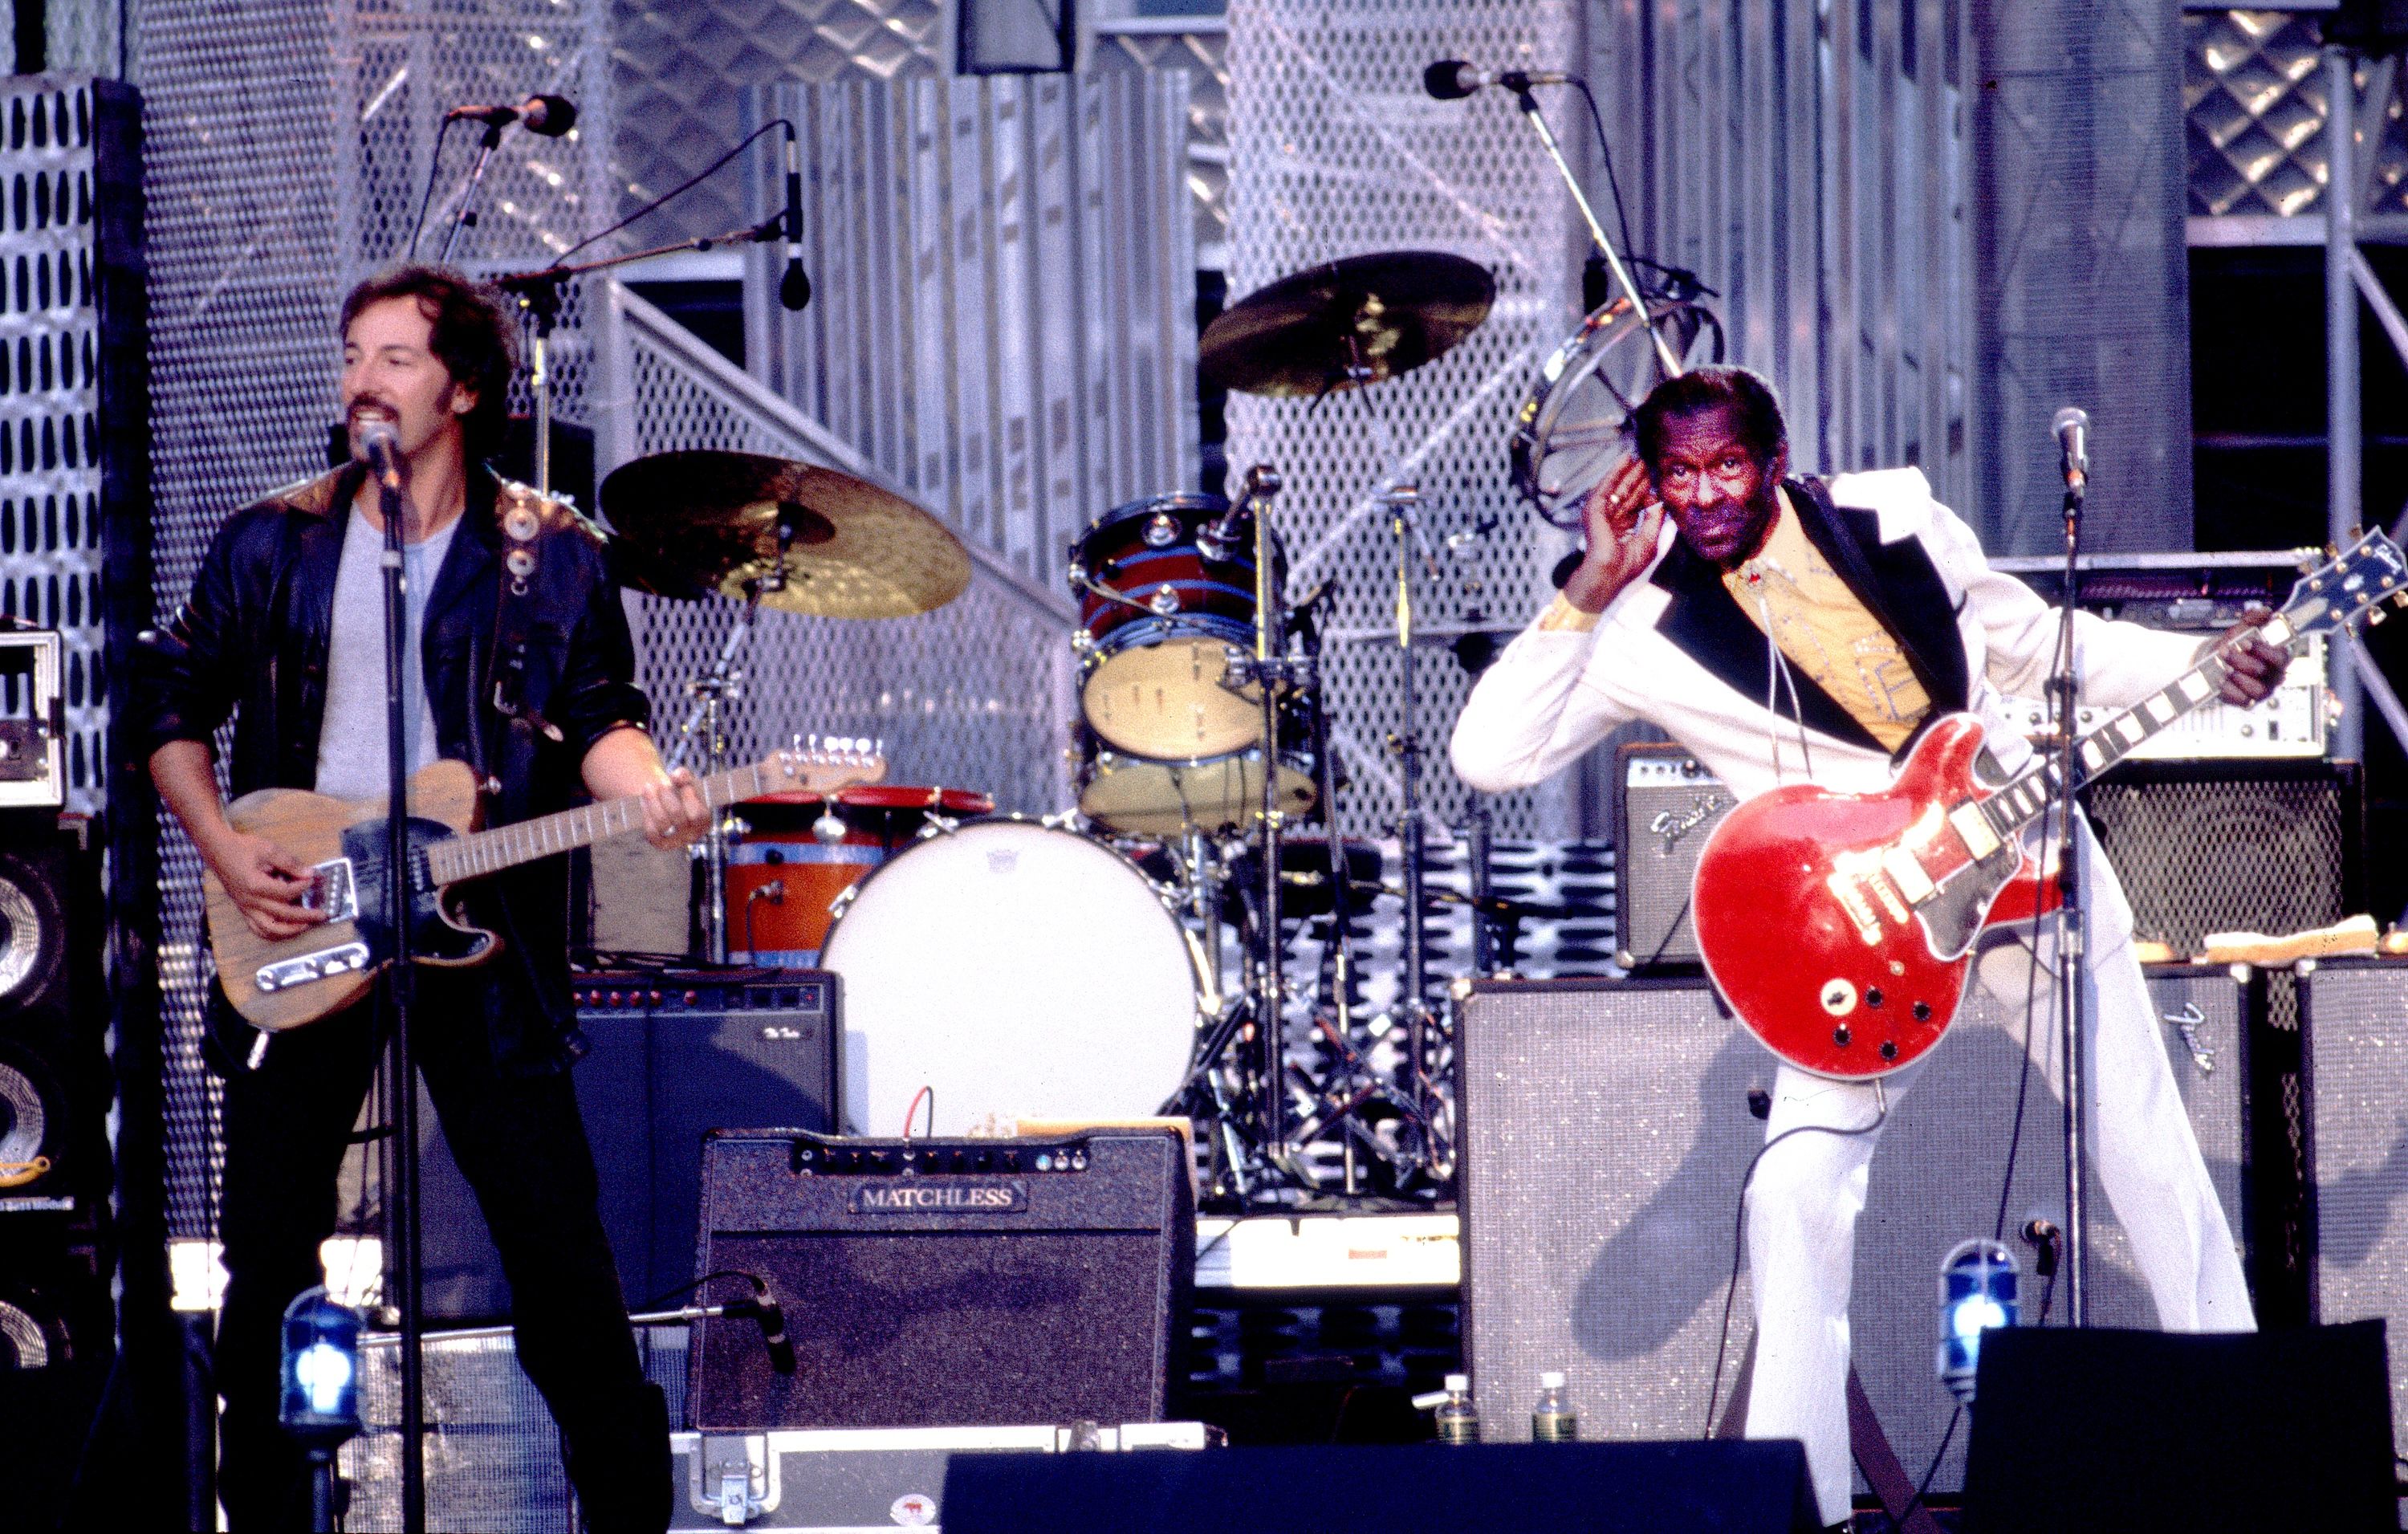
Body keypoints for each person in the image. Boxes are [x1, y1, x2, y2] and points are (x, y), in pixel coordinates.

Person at [1450, 366, 2285, 1529]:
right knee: (1792, 1195)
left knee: (2144, 1144)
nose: (1704, 497)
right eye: (1680, 474)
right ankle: (1809, 1504)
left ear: (1775, 458)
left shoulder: (1900, 516)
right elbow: (1492, 755)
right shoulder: (1640, 632)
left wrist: (2209, 670)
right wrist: (1589, 586)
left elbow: (2036, 644)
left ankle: (2241, 1438)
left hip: (2024, 863)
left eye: (1728, 466)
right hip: (1860, 931)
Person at [134, 265, 710, 1532]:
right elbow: (168, 708)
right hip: (298, 911)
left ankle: (627, 1514)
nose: (362, 383)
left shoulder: (547, 555)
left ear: (461, 387)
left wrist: (654, 790)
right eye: (354, 355)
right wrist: (228, 849)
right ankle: (270, 1518)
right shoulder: (274, 537)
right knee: (269, 1255)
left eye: (393, 358)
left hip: (478, 932)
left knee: (558, 1248)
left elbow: (601, 717)